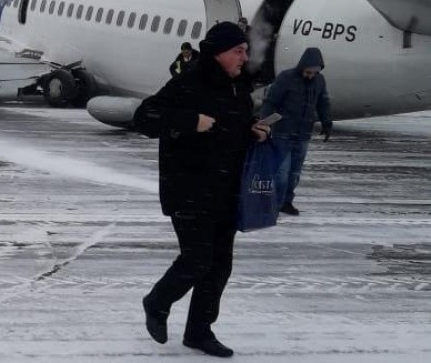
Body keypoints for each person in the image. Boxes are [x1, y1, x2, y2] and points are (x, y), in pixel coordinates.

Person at [135, 22, 270, 358]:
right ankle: (157, 302)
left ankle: (199, 331)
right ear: (219, 53)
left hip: (226, 190)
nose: (244, 57)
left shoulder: (237, 88)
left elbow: (230, 130)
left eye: (245, 50)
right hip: (188, 188)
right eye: (238, 51)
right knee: (197, 260)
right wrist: (189, 121)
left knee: (219, 265)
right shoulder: (188, 83)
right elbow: (145, 117)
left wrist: (253, 132)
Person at [259, 47, 332, 216]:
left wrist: (327, 123)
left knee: (294, 173)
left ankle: (286, 202)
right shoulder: (286, 78)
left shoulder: (319, 81)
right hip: (283, 133)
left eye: (314, 73)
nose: (310, 76)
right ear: (302, 66)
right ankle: (274, 204)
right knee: (281, 172)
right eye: (308, 72)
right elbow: (271, 101)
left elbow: (323, 102)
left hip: (303, 134)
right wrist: (264, 122)